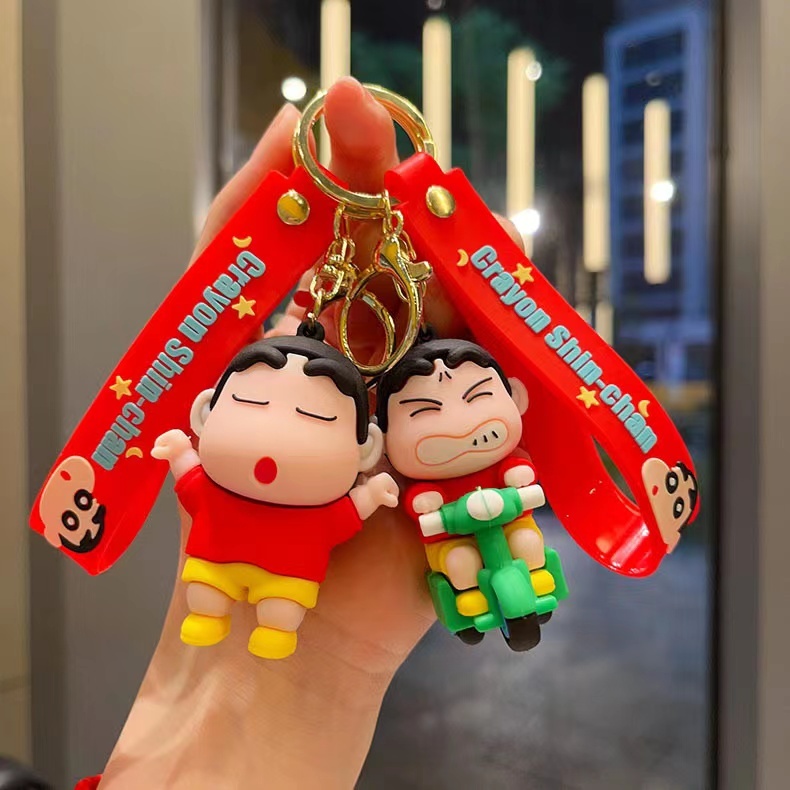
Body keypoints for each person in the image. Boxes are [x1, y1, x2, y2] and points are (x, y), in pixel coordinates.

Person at [90, 77, 525, 790]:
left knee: (282, 605)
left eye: (317, 420)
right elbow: (202, 483)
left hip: (300, 578)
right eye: (252, 406)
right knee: (225, 596)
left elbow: (340, 513)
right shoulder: (226, 477)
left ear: (364, 448)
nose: (274, 443)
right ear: (204, 414)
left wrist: (375, 495)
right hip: (229, 569)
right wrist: (179, 457)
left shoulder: (340, 490)